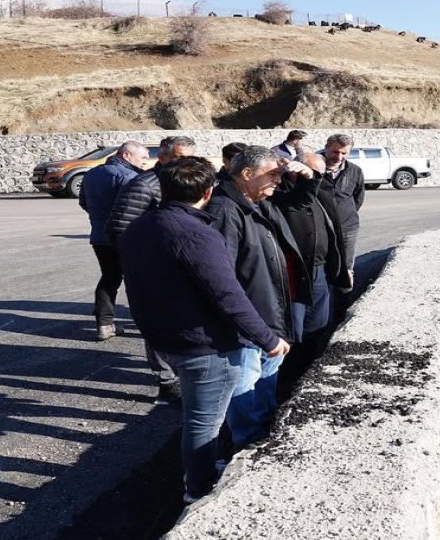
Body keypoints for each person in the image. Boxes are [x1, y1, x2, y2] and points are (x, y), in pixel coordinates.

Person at [117, 156, 290, 503]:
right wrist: (269, 340)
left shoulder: (141, 225)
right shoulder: (197, 234)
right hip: (204, 346)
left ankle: (202, 470)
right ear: (208, 191)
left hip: (168, 338)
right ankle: (198, 488)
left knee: (198, 417)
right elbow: (228, 295)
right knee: (203, 423)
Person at [206, 145, 310, 449]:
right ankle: (246, 443)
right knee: (244, 384)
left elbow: (303, 201)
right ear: (247, 174)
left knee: (264, 379)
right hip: (249, 321)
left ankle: (262, 433)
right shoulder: (226, 209)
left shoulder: (257, 202)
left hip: (268, 314)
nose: (279, 180)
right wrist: (249, 323)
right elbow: (222, 277)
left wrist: (303, 176)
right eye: (273, 174)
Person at [105, 135, 198, 404]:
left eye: (189, 157)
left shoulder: (183, 182)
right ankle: (167, 383)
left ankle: (182, 375)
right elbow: (118, 227)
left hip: (183, 269)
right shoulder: (144, 185)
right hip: (155, 270)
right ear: (164, 157)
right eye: (179, 157)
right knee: (157, 326)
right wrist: (146, 261)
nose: (185, 162)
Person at [272, 152, 352, 397]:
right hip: (294, 275)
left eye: (320, 174)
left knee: (318, 326)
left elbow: (337, 231)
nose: (318, 178)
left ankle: (306, 374)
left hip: (321, 272)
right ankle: (286, 382)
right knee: (294, 331)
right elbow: (298, 202)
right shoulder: (281, 196)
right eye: (313, 174)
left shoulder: (323, 194)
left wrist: (343, 266)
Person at [78, 141, 149, 341]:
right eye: (142, 157)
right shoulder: (130, 177)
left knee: (109, 279)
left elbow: (83, 202)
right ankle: (145, 323)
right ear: (126, 155)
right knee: (138, 281)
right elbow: (138, 206)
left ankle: (104, 324)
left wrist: (100, 218)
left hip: (100, 237)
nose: (145, 162)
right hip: (127, 236)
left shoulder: (91, 174)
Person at [320, 133, 365, 287]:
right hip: (320, 230)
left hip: (348, 228)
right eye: (335, 152)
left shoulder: (355, 171)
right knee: (322, 269)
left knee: (345, 270)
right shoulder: (313, 169)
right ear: (326, 148)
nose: (339, 157)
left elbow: (358, 198)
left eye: (344, 153)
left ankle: (342, 305)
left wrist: (344, 214)